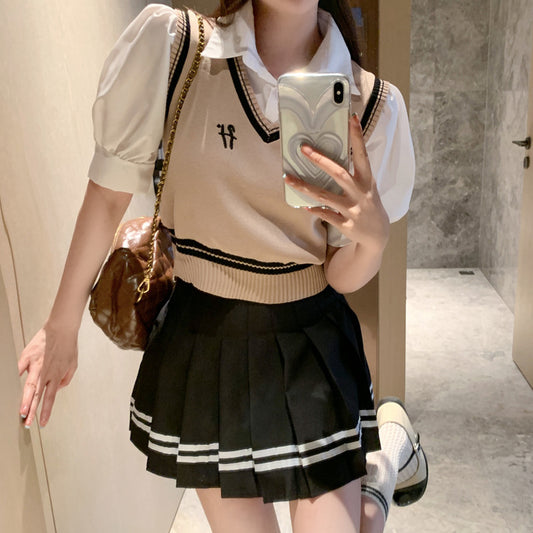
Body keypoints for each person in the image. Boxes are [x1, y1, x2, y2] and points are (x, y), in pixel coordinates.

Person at [17, 1, 427, 531]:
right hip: (206, 345)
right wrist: (61, 324)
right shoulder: (177, 50)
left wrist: (372, 238)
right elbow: (107, 194)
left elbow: (338, 275)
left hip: (311, 345)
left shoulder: (370, 105)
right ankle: (385, 462)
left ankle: (384, 462)